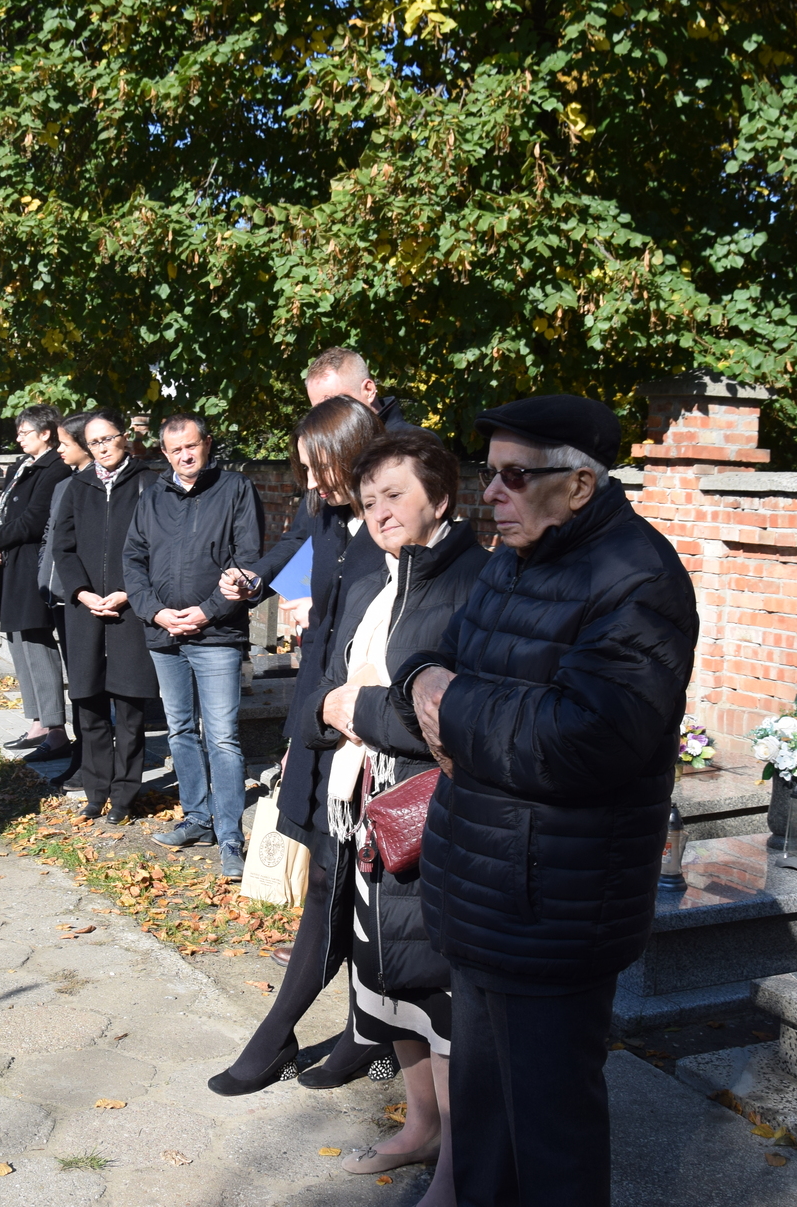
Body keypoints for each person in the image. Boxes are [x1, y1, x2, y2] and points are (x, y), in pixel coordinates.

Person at [393, 394, 697, 1207]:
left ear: (580, 486)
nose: (490, 492)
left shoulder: (638, 578)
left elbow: (589, 737)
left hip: (551, 904)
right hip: (482, 887)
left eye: (513, 476)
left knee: (550, 1134)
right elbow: (432, 655)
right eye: (490, 473)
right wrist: (422, 680)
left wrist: (450, 706)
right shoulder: (514, 556)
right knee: (487, 1119)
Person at [304, 431, 487, 1199]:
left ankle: (459, 1162)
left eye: (396, 495)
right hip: (366, 808)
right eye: (369, 496)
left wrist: (357, 708)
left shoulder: (471, 582)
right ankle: (420, 1128)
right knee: (386, 980)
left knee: (438, 993)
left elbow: (451, 715)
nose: (379, 509)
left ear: (439, 499)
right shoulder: (380, 577)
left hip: (429, 814)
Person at [208, 396, 393, 1095]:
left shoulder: (388, 528)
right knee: (327, 879)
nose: (312, 484)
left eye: (323, 470)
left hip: (362, 732)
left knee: (355, 887)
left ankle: (302, 1034)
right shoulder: (326, 515)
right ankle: (358, 1035)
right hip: (316, 719)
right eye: (307, 470)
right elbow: (304, 581)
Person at [122, 412, 264, 879]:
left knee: (222, 736)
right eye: (175, 449)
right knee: (180, 730)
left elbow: (247, 562)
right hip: (164, 634)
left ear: (206, 444)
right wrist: (154, 612)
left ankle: (229, 835)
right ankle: (197, 818)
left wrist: (206, 610)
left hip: (216, 635)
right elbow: (133, 559)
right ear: (164, 453)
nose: (185, 455)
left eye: (192, 445)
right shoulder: (152, 496)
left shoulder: (235, 489)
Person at [51, 409, 162, 822]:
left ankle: (124, 796)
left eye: (108, 438)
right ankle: (95, 791)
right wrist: (80, 591)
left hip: (130, 608)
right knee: (89, 704)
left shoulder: (150, 482)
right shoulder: (75, 487)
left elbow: (159, 548)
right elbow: (63, 548)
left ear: (125, 437)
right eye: (94, 442)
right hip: (86, 610)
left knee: (130, 708)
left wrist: (130, 592)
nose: (102, 448)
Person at [0, 405, 74, 762]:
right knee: (17, 640)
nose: (18, 438)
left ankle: (55, 727)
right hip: (10, 564)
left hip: (32, 564)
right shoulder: (19, 465)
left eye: (24, 432)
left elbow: (34, 521)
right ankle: (36, 721)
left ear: (45, 433)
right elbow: (1, 510)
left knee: (35, 639)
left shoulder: (55, 467)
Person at [36, 412, 95, 784]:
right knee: (77, 681)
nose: (59, 450)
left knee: (89, 683)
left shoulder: (96, 486)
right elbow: (52, 538)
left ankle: (92, 755)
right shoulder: (64, 485)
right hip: (59, 595)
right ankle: (80, 750)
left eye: (65, 443)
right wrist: (44, 578)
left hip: (87, 598)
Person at [302, 346, 421, 435]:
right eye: (318, 412)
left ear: (368, 390)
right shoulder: (334, 451)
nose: (325, 419)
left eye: (334, 405)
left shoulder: (414, 446)